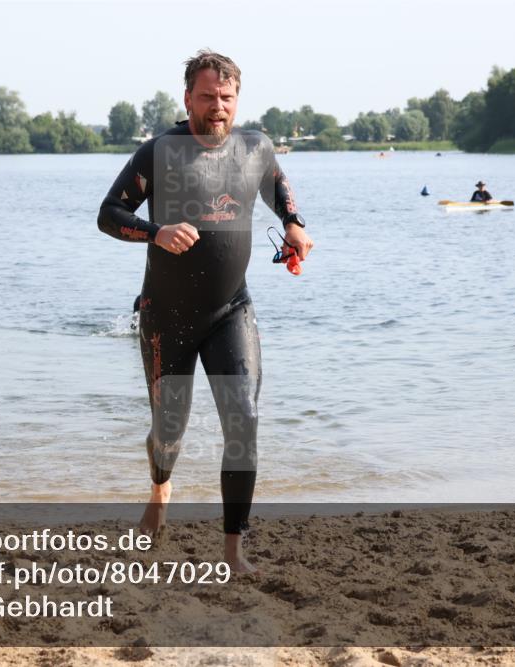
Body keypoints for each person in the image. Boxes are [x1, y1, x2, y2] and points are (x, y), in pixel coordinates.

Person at [97, 49, 313, 573]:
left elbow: (276, 184)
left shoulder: (254, 147)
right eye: (207, 96)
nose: (218, 106)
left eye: (226, 96)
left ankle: (234, 550)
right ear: (187, 98)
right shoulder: (159, 153)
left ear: (237, 98)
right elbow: (109, 214)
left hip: (229, 310)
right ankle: (160, 489)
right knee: (168, 431)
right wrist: (156, 231)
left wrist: (293, 223)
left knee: (244, 420)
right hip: (166, 316)